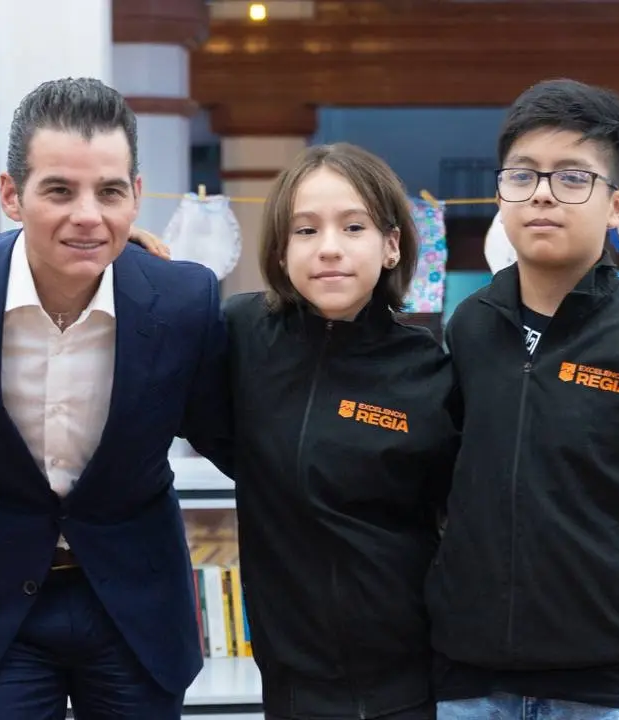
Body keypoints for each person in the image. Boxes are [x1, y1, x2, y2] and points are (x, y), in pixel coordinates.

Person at [0, 77, 228, 719]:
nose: (88, 215)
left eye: (110, 191)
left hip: (134, 608)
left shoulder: (184, 302)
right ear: (12, 195)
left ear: (136, 197)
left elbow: (237, 437)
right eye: (60, 190)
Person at [428, 78, 619, 719]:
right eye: (524, 176)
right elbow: (444, 480)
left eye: (573, 177)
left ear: (618, 202)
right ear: (501, 193)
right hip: (468, 675)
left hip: (608, 684)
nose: (542, 194)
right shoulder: (469, 327)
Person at [209, 142, 458, 720]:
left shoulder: (431, 370)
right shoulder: (240, 334)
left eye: (353, 227)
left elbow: (461, 519)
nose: (329, 249)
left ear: (391, 245)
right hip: (292, 684)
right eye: (304, 230)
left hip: (414, 681)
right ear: (281, 248)